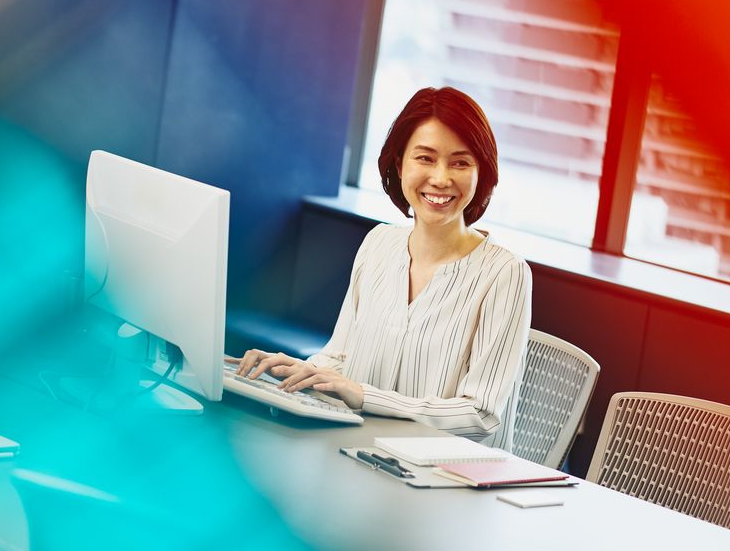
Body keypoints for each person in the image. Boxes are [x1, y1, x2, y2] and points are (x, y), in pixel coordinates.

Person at [228, 86, 532, 449]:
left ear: (482, 173)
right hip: (363, 451)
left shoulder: (504, 273)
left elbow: (480, 415)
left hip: (444, 478)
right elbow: (340, 357)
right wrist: (298, 370)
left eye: (460, 163)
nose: (441, 178)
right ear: (400, 163)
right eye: (425, 158)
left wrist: (364, 395)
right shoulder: (378, 243)